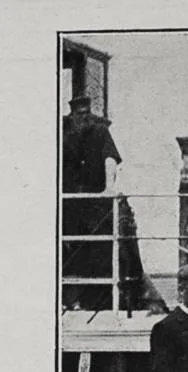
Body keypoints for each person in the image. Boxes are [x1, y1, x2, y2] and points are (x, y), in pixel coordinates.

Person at [62, 95, 122, 308]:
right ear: (72, 114)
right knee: (70, 249)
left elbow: (110, 157)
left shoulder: (100, 132)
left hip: (93, 203)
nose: (84, 116)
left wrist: (109, 187)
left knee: (98, 250)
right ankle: (70, 299)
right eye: (80, 113)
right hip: (69, 205)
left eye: (87, 112)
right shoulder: (62, 134)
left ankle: (98, 300)